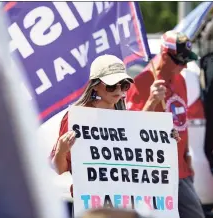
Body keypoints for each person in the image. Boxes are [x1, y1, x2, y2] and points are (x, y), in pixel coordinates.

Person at [50, 54, 180, 217]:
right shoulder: (76, 118)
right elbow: (59, 168)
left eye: (124, 85)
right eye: (112, 86)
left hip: (125, 207)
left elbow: (140, 144)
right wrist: (62, 150)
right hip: (93, 208)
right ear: (95, 85)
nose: (119, 91)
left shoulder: (124, 115)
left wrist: (165, 137)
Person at [125, 30, 205, 218]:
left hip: (180, 169)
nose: (185, 66)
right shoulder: (142, 82)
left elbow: (181, 123)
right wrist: (152, 101)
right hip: (155, 171)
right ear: (164, 55)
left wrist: (186, 155)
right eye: (180, 61)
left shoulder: (181, 81)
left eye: (187, 60)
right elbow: (131, 130)